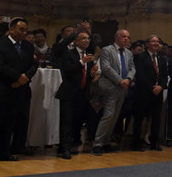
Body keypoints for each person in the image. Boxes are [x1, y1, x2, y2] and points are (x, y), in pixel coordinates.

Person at [0, 17, 38, 161]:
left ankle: (3, 152)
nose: (24, 33)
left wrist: (25, 78)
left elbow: (34, 64)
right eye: (21, 30)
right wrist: (18, 77)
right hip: (2, 88)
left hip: (20, 90)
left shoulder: (28, 46)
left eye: (26, 30)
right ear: (11, 29)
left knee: (10, 122)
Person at [55, 31, 98, 159]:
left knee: (77, 121)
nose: (86, 40)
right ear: (76, 41)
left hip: (82, 93)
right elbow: (68, 71)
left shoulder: (88, 56)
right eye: (83, 38)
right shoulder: (69, 53)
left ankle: (70, 145)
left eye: (88, 38)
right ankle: (64, 148)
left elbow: (86, 77)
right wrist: (81, 62)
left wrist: (92, 73)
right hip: (69, 92)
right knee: (66, 121)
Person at [91, 29, 135, 156]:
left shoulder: (128, 53)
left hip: (123, 88)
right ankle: (98, 144)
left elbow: (132, 68)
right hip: (110, 87)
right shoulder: (107, 50)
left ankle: (106, 141)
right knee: (108, 115)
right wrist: (120, 80)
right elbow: (106, 67)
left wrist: (128, 79)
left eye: (128, 37)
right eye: (123, 36)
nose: (126, 39)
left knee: (115, 116)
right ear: (116, 38)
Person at [131, 34, 168, 152]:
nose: (156, 43)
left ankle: (154, 143)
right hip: (144, 93)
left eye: (158, 41)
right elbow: (140, 75)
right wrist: (152, 87)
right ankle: (136, 143)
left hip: (158, 93)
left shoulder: (162, 58)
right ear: (147, 44)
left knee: (156, 119)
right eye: (153, 41)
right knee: (139, 119)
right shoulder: (140, 57)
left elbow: (165, 76)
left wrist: (161, 87)